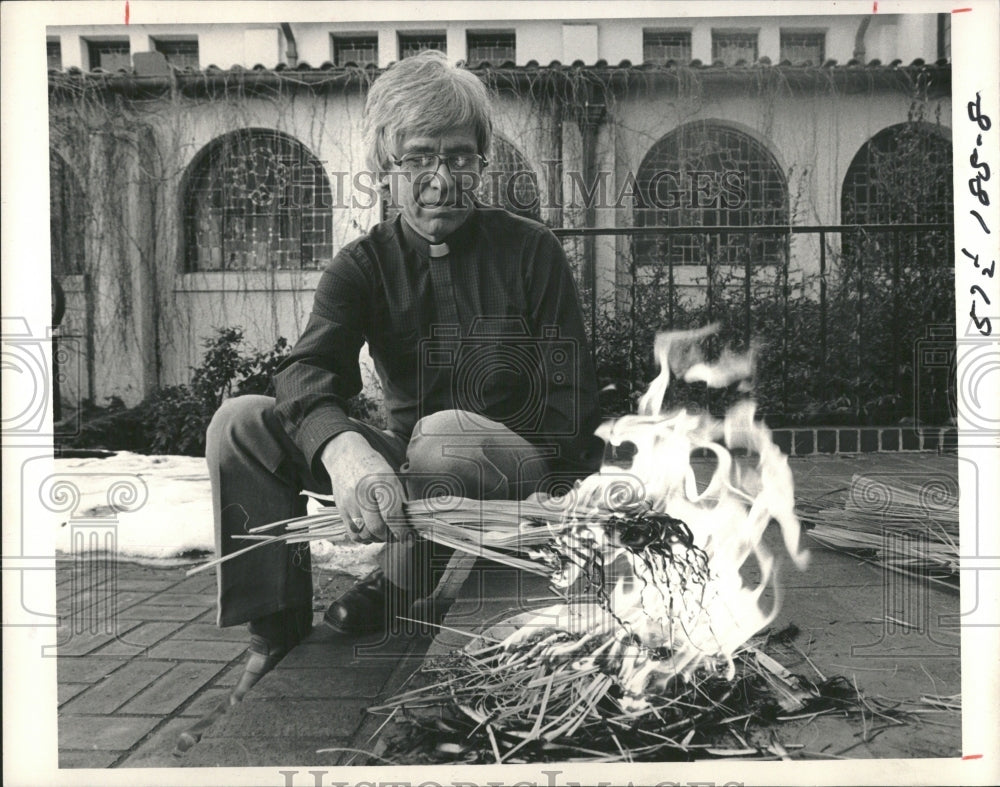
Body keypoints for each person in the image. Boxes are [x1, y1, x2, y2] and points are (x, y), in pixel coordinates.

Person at [178, 50, 601, 751]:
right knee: (241, 422)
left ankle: (401, 581)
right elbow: (307, 371)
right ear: (385, 165)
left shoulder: (531, 252)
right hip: (412, 467)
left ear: (483, 160)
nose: (441, 180)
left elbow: (569, 407)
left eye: (461, 158)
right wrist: (344, 452)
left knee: (443, 434)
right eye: (419, 158)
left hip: (519, 470)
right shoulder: (362, 264)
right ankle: (274, 631)